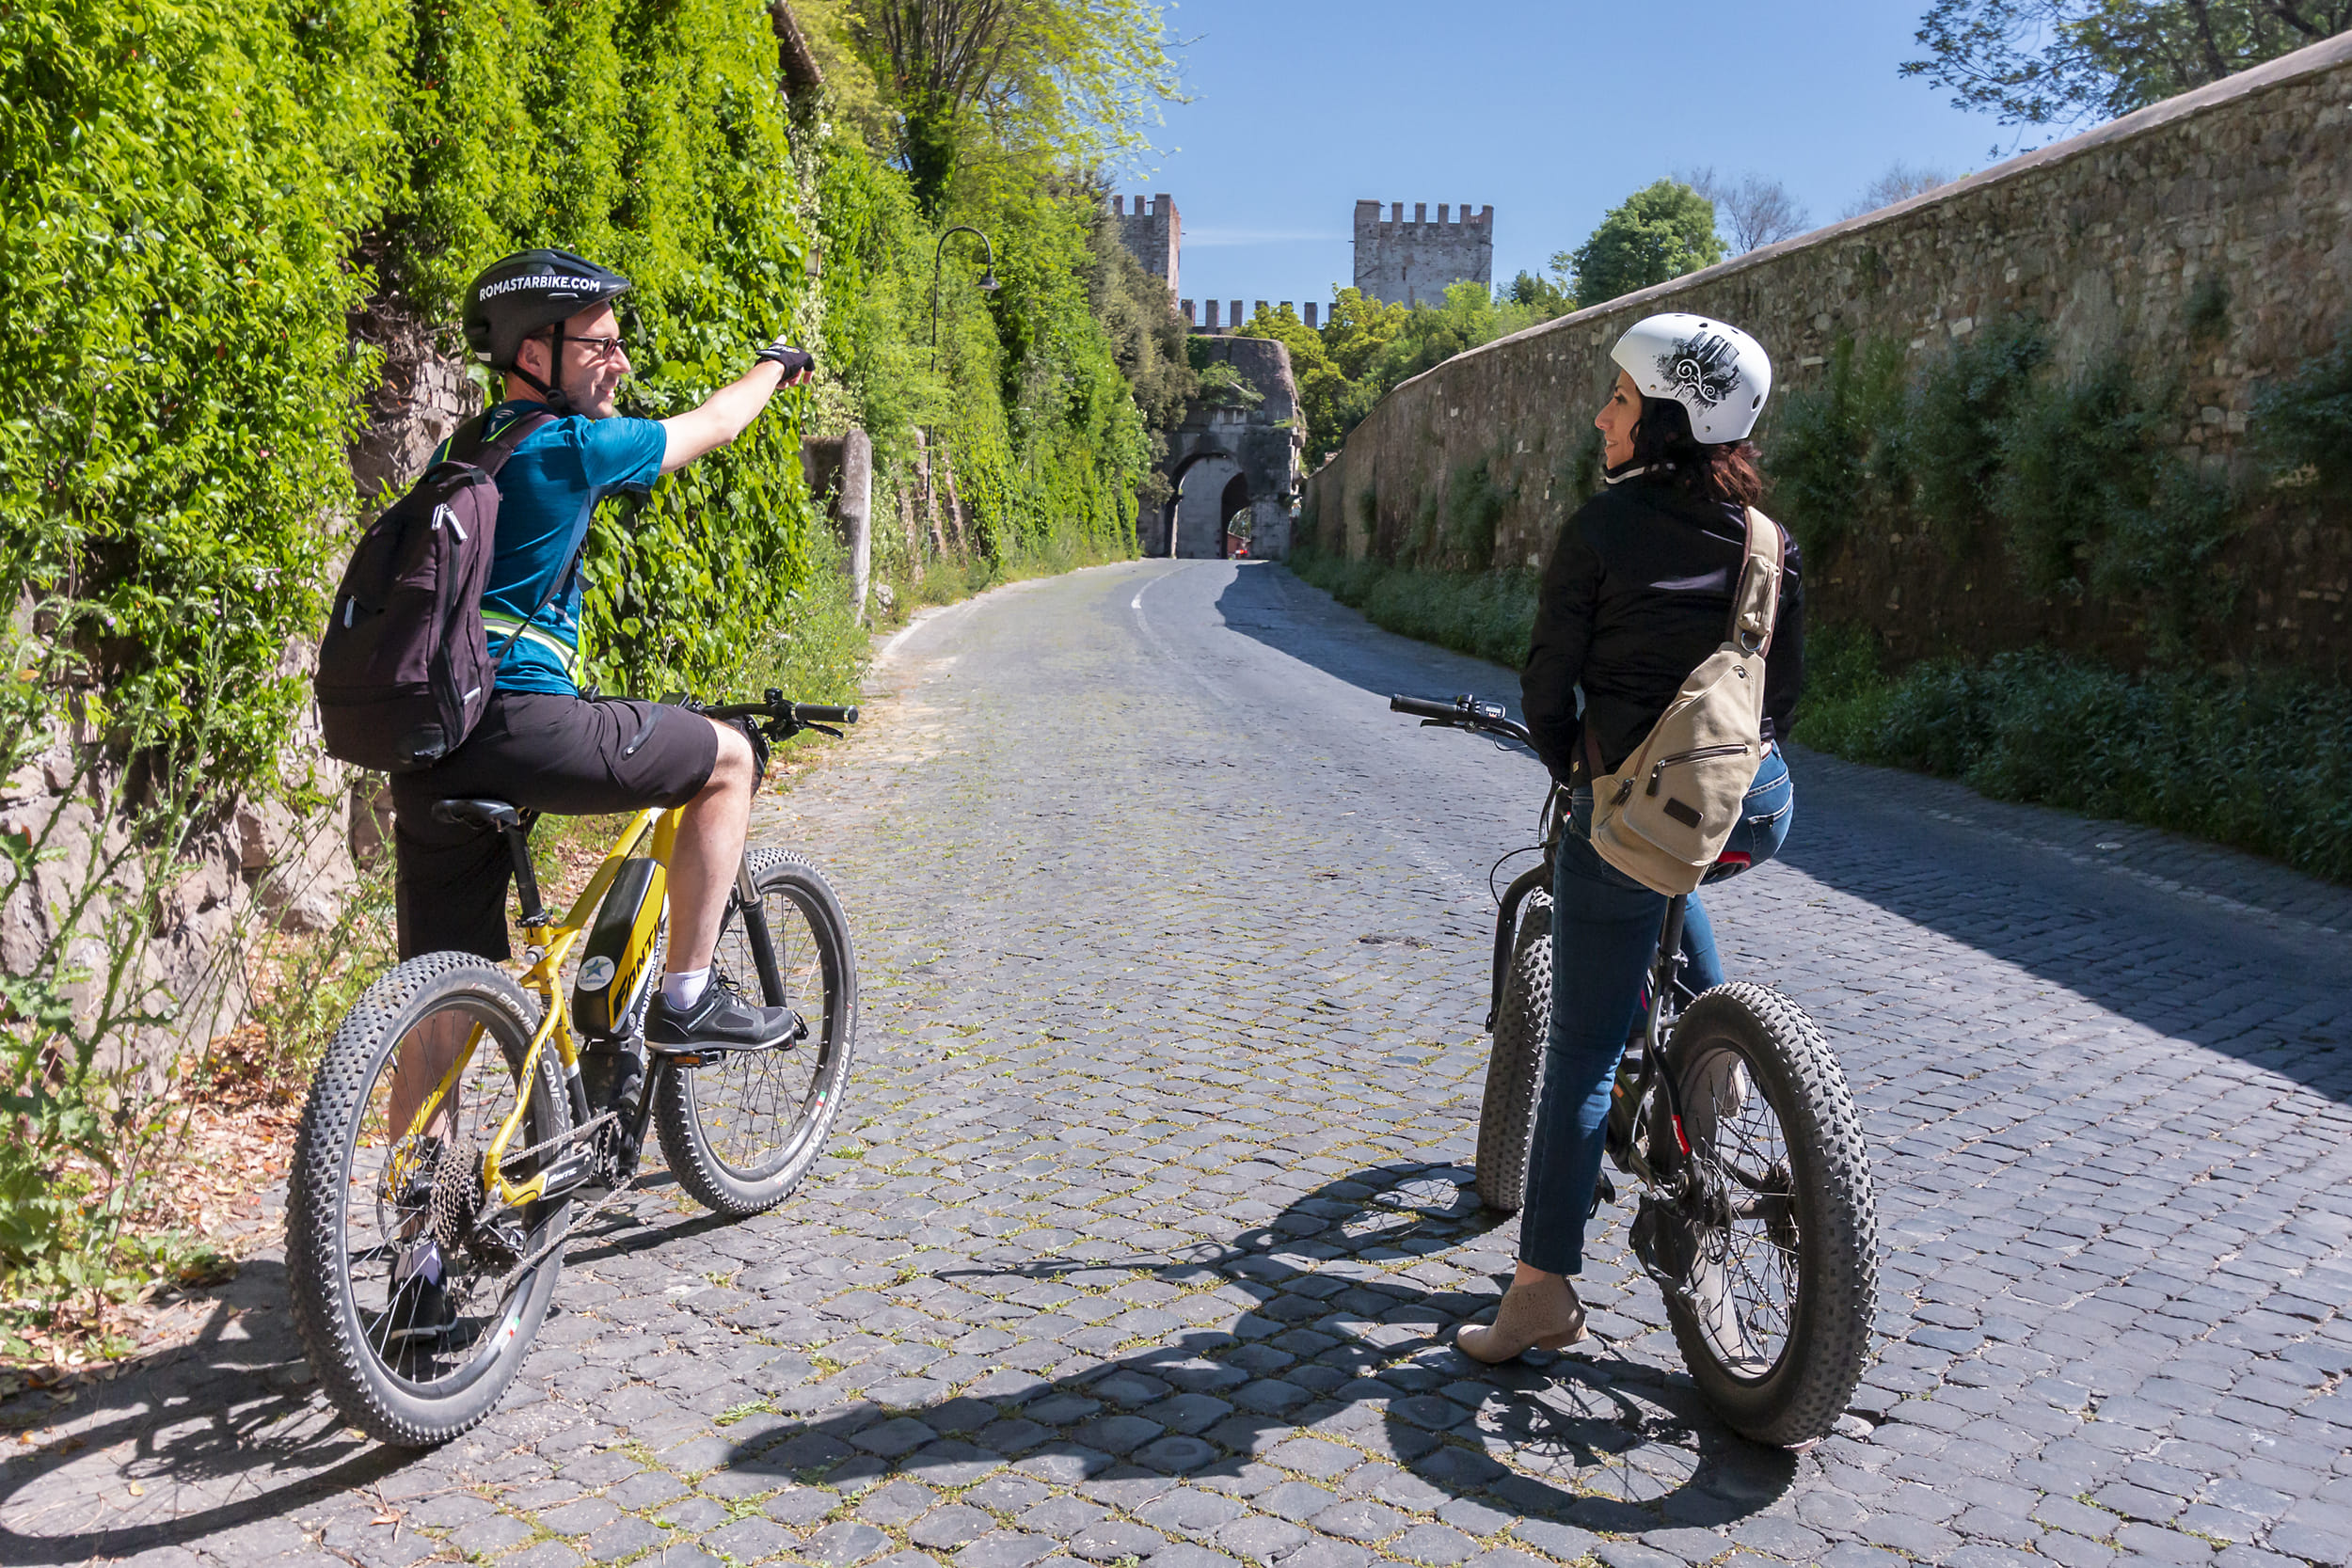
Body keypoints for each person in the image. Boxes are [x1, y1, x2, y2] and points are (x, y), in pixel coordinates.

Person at [379, 248, 812, 1338]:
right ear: (537, 354)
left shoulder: (462, 446)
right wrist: (774, 363)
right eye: (600, 340)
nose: (619, 357)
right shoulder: (565, 444)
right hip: (526, 724)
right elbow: (710, 426)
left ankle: (417, 1259)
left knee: (441, 1009)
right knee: (726, 757)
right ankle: (684, 997)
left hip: (433, 749)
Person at [1456, 312, 1804, 1362]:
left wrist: (1574, 768)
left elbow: (1545, 683)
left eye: (1617, 398)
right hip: (1754, 805)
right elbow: (1780, 694)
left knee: (1581, 1053)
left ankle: (1541, 1290)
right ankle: (1714, 1059)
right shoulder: (1768, 542)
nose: (1600, 413)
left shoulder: (1598, 532)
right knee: (1675, 857)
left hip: (1629, 809)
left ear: (1663, 415)